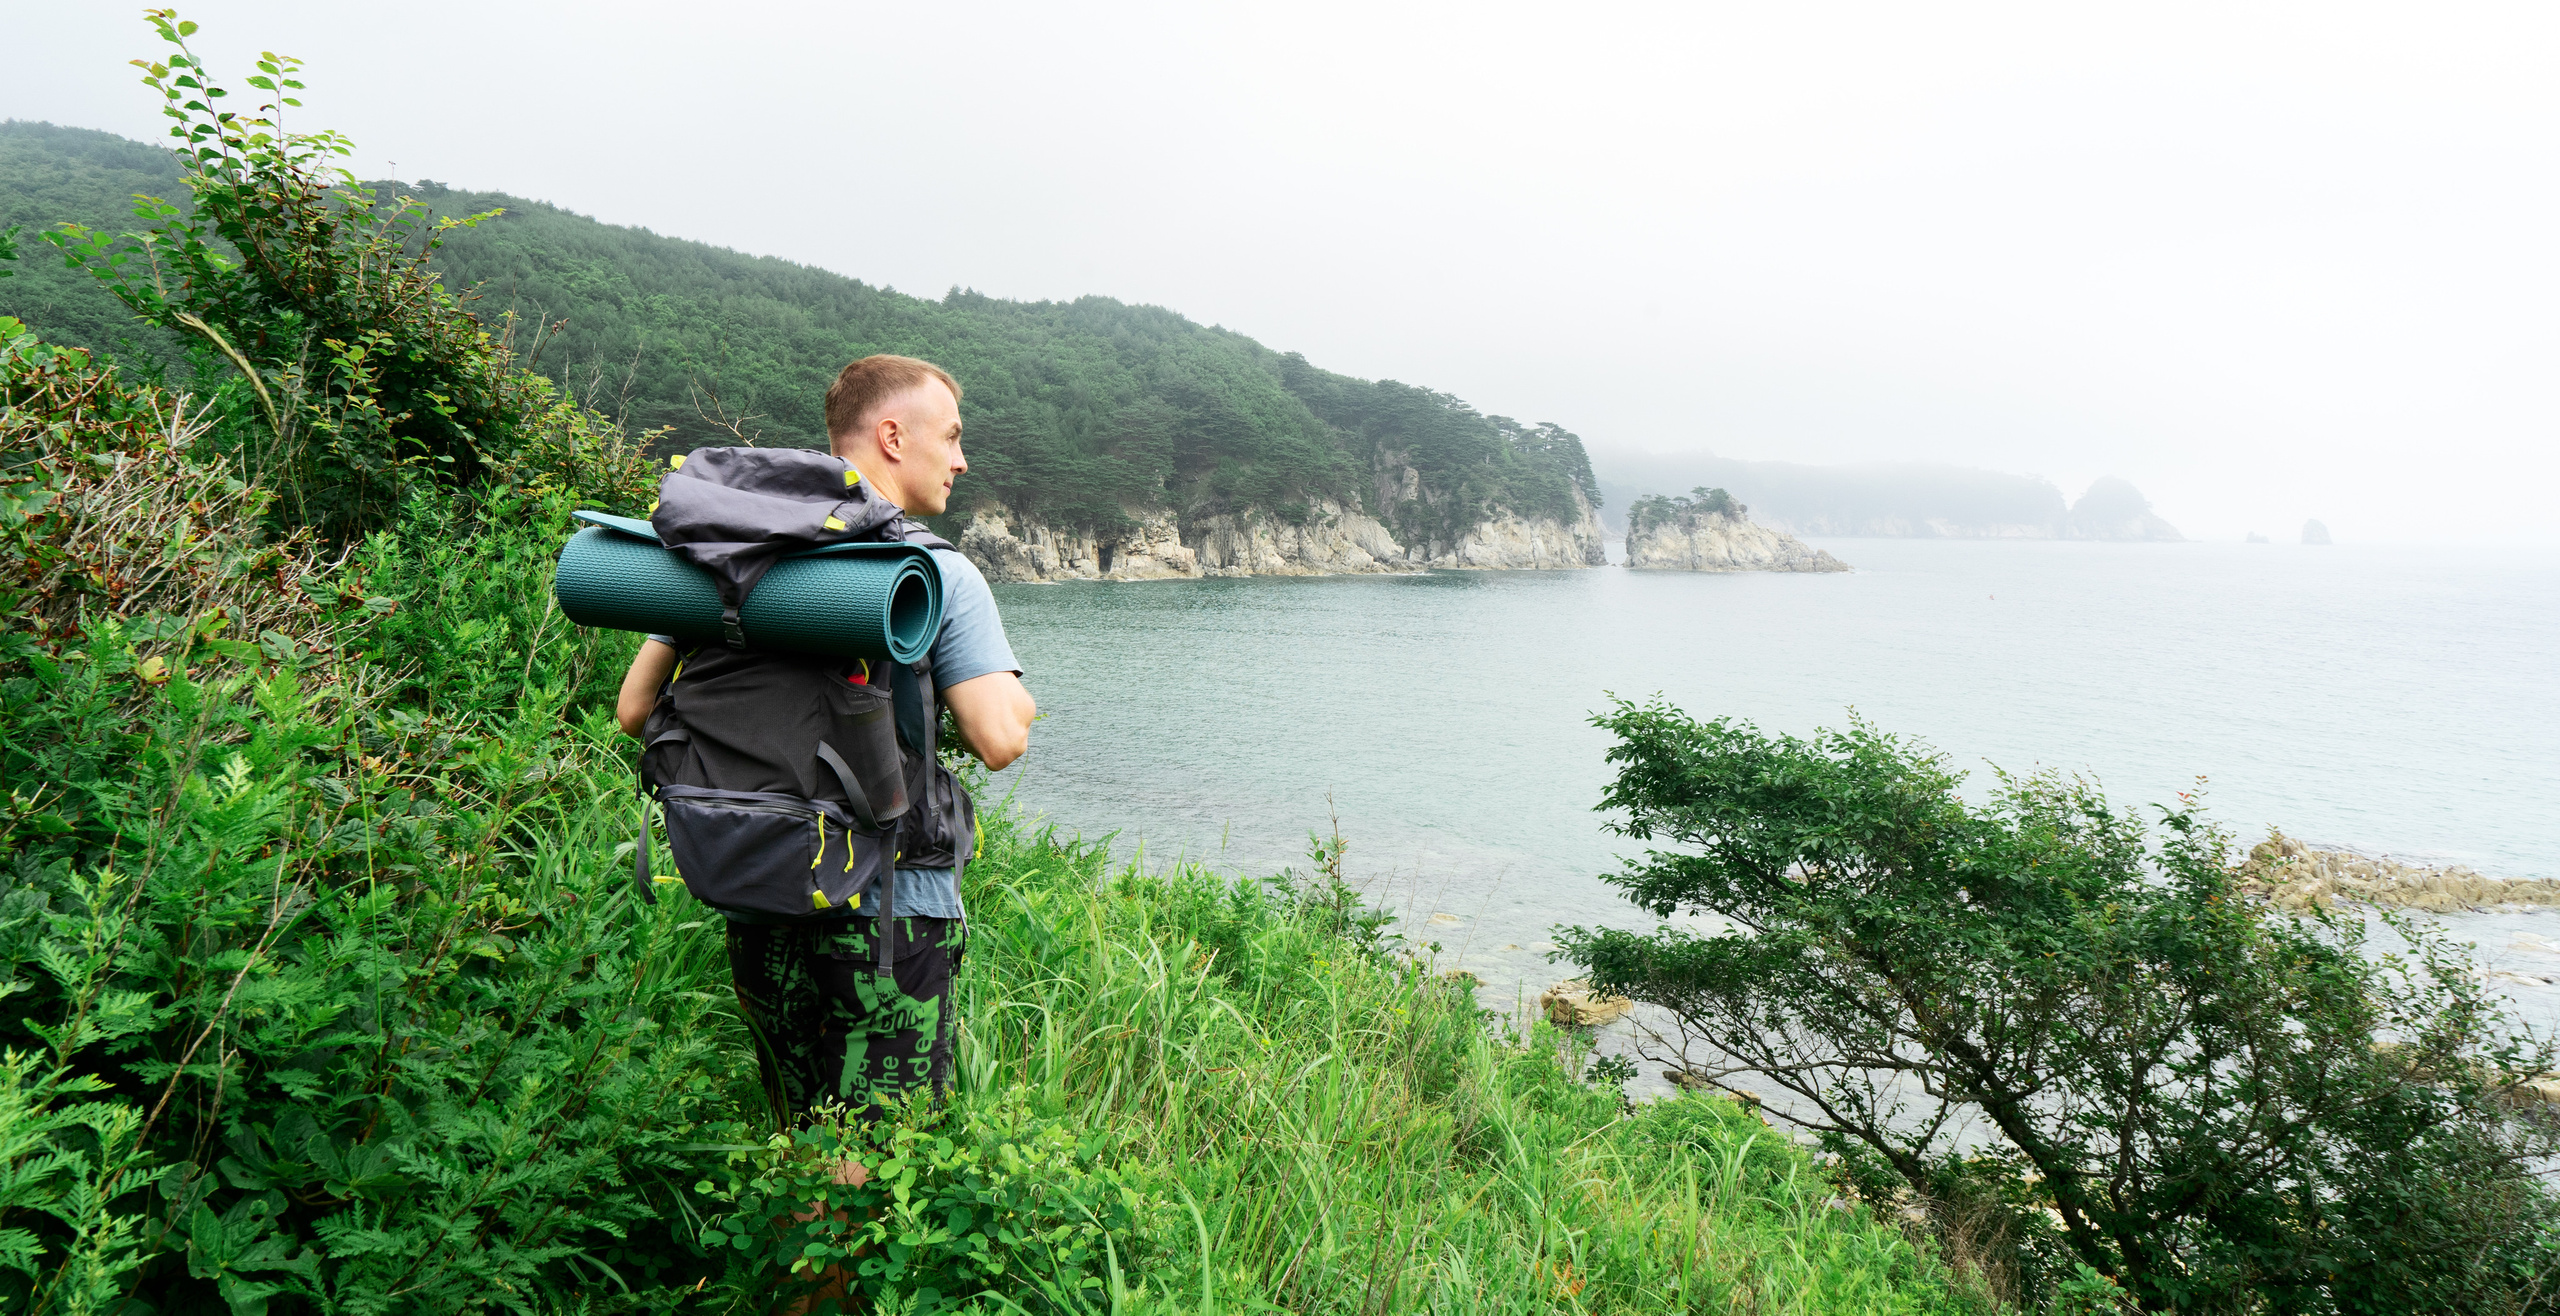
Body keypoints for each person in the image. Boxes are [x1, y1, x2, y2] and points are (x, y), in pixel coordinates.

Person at [612, 354, 1035, 1129]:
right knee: (879, 1155)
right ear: (893, 436)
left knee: (796, 1130)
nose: (963, 459)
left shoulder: (730, 556)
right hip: (890, 907)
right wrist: (1021, 699)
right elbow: (999, 737)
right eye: (952, 436)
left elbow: (635, 709)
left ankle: (792, 1246)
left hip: (760, 881)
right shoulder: (932, 572)